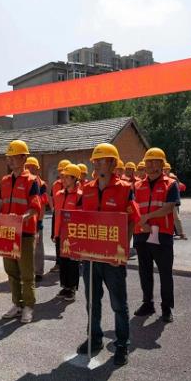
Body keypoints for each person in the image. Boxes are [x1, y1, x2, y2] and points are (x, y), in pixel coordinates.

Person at [78, 143, 140, 366]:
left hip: (113, 258)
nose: (96, 164)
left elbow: (132, 220)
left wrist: (123, 248)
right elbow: (79, 220)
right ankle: (94, 338)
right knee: (92, 301)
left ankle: (122, 344)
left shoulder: (125, 189)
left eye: (101, 160)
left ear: (113, 164)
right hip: (91, 257)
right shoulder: (86, 188)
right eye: (95, 160)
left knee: (118, 303)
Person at [0, 140, 41, 324]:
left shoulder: (32, 181)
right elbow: (1, 202)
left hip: (25, 233)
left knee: (26, 273)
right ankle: (17, 303)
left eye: (13, 157)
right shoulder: (5, 181)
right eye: (9, 157)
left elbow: (35, 208)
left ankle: (28, 306)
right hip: (8, 232)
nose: (10, 160)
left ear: (23, 158)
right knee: (11, 271)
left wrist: (21, 219)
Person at [133, 147, 179, 323]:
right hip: (142, 233)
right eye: (149, 162)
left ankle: (166, 308)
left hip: (163, 235)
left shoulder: (171, 184)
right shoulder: (137, 185)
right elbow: (133, 208)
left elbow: (169, 207)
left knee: (165, 273)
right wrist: (141, 223)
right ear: (145, 165)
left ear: (162, 164)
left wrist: (148, 217)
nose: (152, 166)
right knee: (144, 271)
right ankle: (147, 304)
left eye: (156, 162)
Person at [52, 164, 82, 301]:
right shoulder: (59, 194)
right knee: (63, 262)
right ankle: (65, 287)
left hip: (73, 235)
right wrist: (55, 233)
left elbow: (81, 217)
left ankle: (72, 288)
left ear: (74, 178)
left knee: (72, 263)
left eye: (66, 177)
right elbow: (56, 216)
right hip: (60, 234)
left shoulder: (79, 196)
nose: (62, 179)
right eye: (62, 176)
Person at [25, 156, 49, 283]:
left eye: (32, 167)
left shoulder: (41, 184)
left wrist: (39, 222)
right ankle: (27, 272)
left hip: (36, 220)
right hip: (25, 221)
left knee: (38, 247)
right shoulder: (24, 181)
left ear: (37, 169)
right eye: (27, 167)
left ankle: (38, 272)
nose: (29, 169)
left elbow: (43, 205)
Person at [50, 159, 71, 273]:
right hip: (57, 215)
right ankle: (58, 263)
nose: (61, 174)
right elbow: (51, 197)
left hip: (69, 217)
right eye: (60, 171)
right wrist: (52, 208)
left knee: (68, 240)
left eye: (64, 171)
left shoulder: (74, 186)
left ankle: (70, 262)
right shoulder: (55, 185)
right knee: (57, 238)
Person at [169, 172, 187, 240]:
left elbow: (181, 187)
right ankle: (178, 233)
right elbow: (182, 187)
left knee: (175, 217)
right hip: (174, 201)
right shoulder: (172, 176)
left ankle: (180, 233)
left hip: (173, 201)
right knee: (173, 217)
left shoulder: (171, 177)